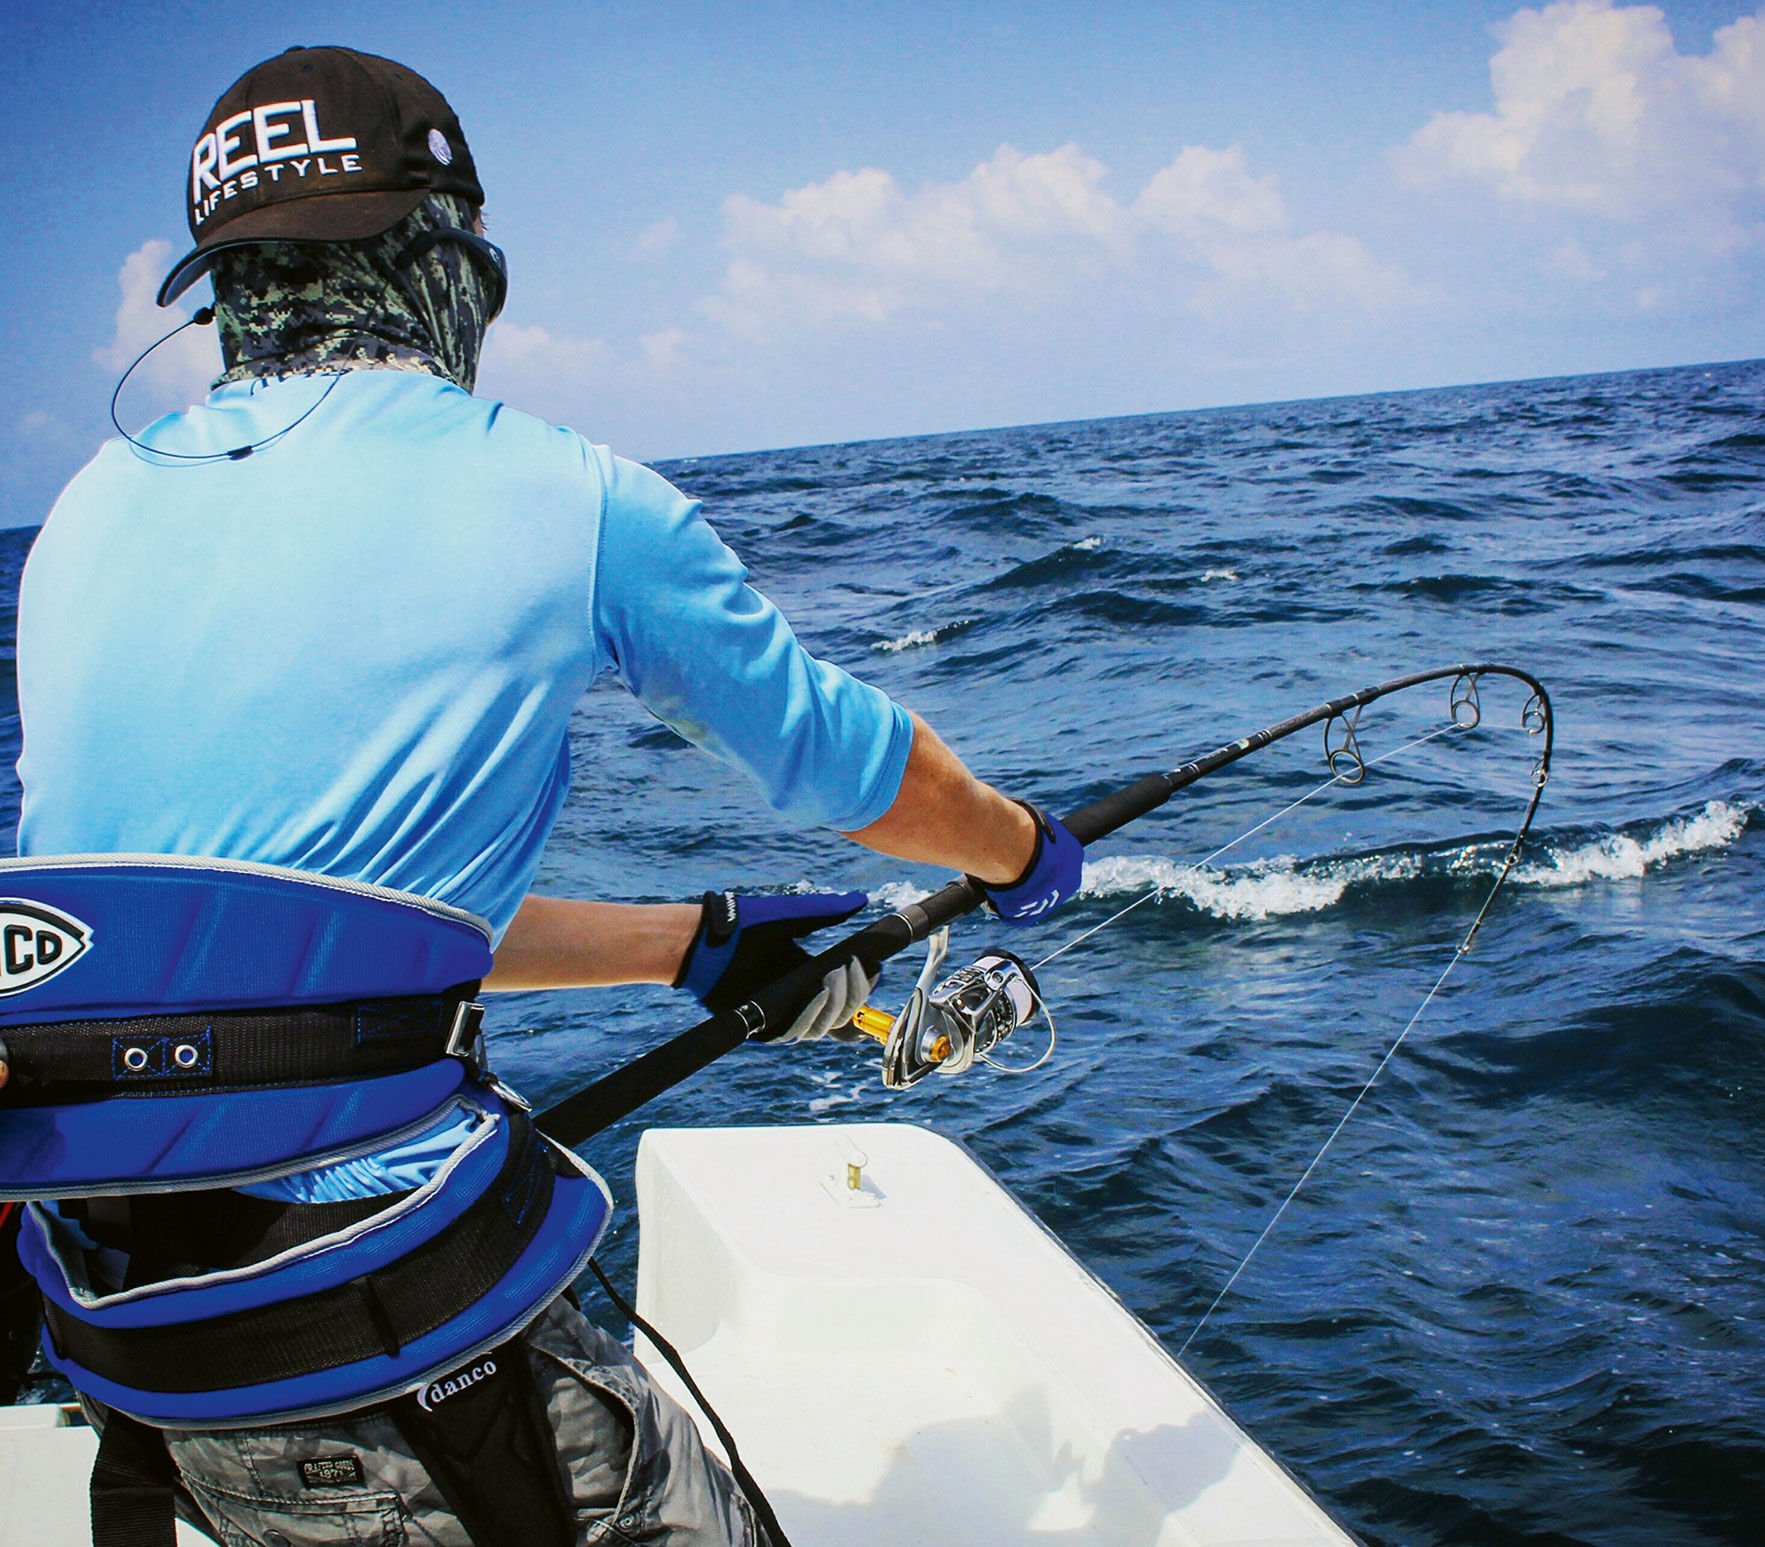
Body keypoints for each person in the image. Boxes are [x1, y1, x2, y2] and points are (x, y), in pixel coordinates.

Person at [2, 45, 1082, 1547]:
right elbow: (861, 773)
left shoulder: (83, 522)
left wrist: (689, 942)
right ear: (452, 264)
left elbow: (274, 948)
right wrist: (1027, 854)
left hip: (148, 1355)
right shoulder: (566, 494)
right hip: (417, 1360)